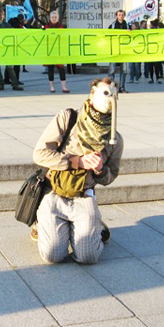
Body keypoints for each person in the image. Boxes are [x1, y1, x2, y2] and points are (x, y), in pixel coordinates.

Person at [31, 77, 123, 264]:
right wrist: (77, 162)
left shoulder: (114, 139)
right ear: (92, 94)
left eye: (114, 95)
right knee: (53, 255)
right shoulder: (68, 118)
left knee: (88, 257)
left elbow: (110, 177)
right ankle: (42, 223)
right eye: (105, 93)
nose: (110, 99)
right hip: (54, 191)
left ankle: (90, 224)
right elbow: (39, 154)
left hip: (83, 195)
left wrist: (99, 170)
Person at [0, 8, 23, 91]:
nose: (1, 17)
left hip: (6, 48)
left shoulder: (7, 25)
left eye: (2, 15)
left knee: (9, 67)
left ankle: (14, 84)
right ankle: (0, 84)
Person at [44, 11, 69, 93]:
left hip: (59, 51)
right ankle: (52, 87)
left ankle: (64, 87)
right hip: (50, 51)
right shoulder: (45, 27)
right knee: (50, 69)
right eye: (52, 17)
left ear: (58, 18)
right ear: (50, 18)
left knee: (61, 69)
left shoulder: (62, 27)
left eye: (55, 17)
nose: (54, 19)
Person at [107, 9, 129, 93]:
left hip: (124, 51)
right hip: (115, 50)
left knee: (124, 70)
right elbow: (108, 35)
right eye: (119, 15)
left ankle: (122, 87)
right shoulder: (112, 25)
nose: (121, 16)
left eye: (122, 15)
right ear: (116, 16)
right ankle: (111, 88)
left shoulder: (127, 25)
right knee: (112, 70)